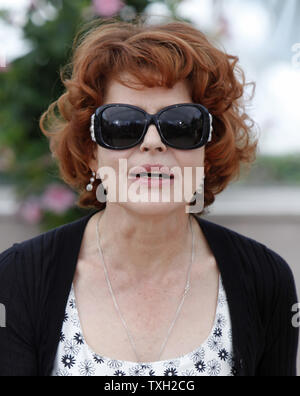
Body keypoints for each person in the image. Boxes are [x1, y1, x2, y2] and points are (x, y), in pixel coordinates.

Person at [0, 17, 298, 377]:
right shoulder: (17, 279)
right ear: (91, 151)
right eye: (123, 124)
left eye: (182, 125)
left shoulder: (266, 280)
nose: (153, 142)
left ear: (208, 148)